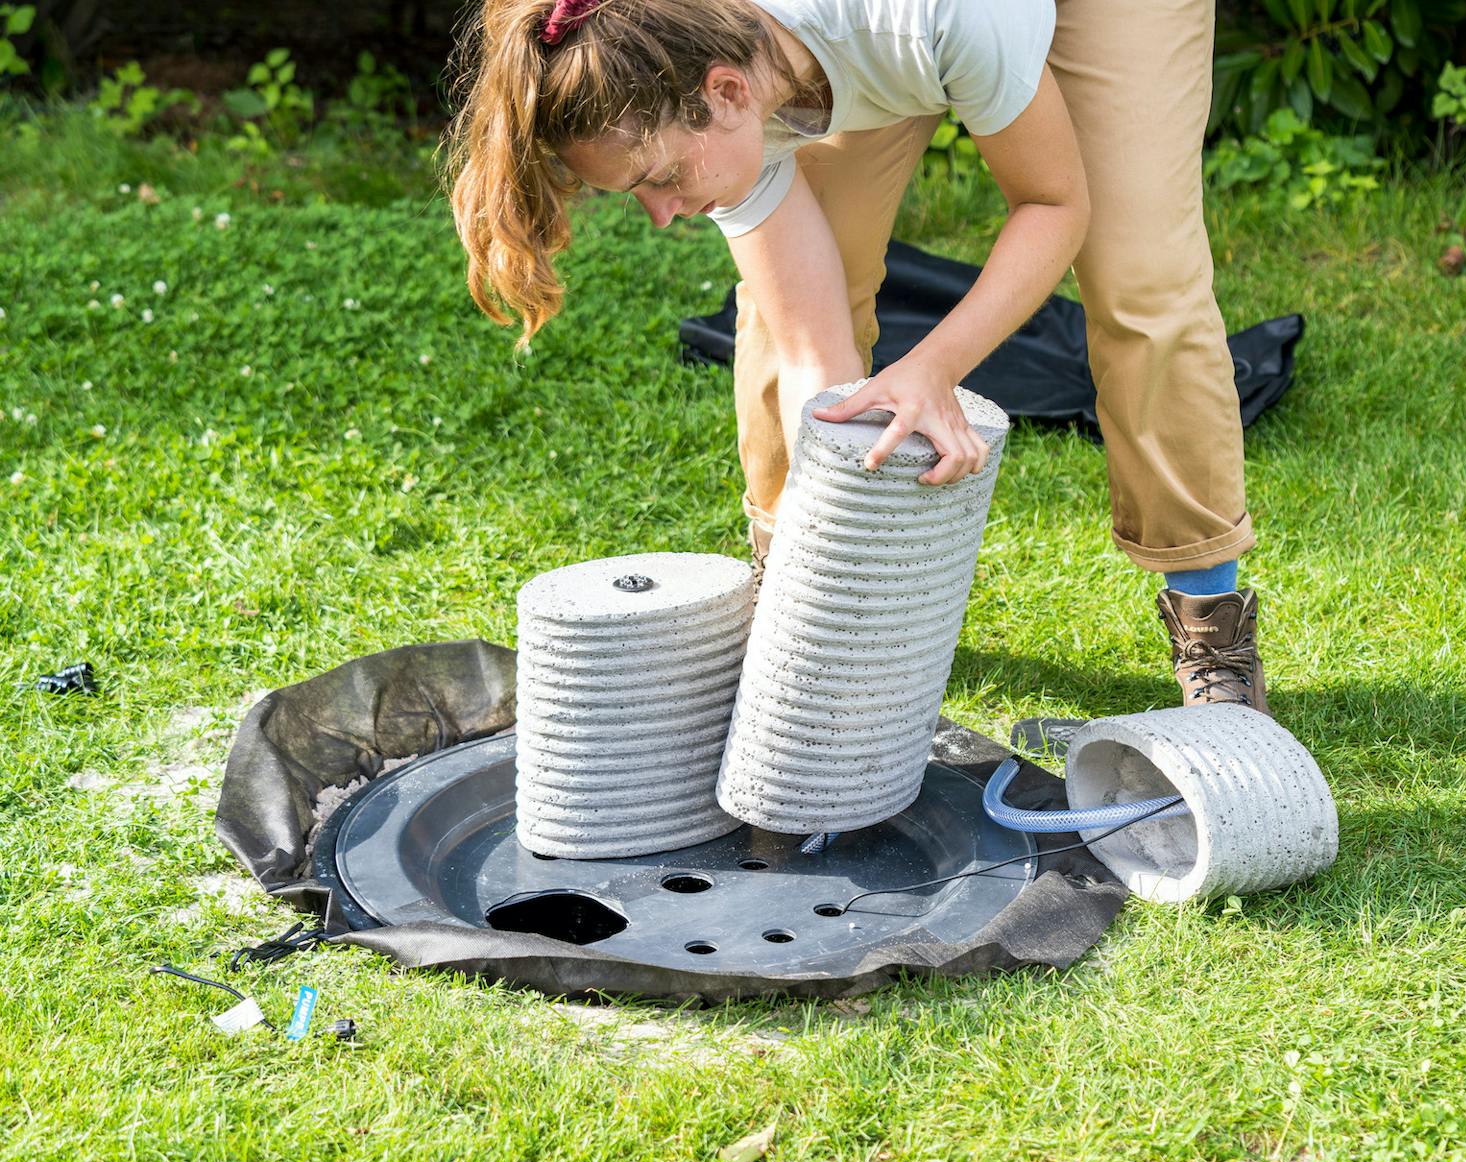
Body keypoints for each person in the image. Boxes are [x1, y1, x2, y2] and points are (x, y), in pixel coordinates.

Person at [445, 0, 1269, 712]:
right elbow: (814, 348)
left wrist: (933, 366)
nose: (662, 214)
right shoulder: (695, 48)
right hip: (854, 34)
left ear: (726, 93)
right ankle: (794, 591)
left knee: (1141, 279)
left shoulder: (936, 22)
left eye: (659, 177)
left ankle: (1210, 622)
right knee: (791, 292)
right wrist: (833, 533)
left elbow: (1053, 204)